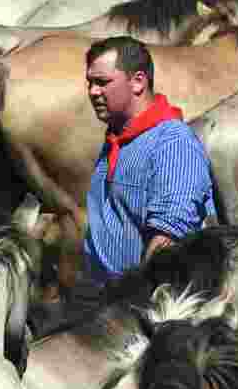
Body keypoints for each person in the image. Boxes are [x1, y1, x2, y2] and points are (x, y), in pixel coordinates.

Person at [82, 35, 217, 283]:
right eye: (89, 82)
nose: (93, 92)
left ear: (138, 82)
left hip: (145, 306)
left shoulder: (172, 143)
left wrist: (132, 303)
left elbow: (168, 241)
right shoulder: (118, 139)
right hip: (107, 300)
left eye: (102, 82)